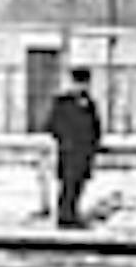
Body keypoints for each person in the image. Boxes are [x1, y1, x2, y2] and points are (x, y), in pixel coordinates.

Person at [45, 66, 104, 229]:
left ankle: (72, 214)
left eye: (85, 83)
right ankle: (65, 216)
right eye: (78, 83)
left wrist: (94, 144)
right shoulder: (63, 102)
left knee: (79, 183)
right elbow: (53, 125)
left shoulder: (89, 103)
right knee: (68, 184)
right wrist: (66, 140)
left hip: (84, 151)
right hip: (69, 151)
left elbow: (95, 126)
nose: (81, 87)